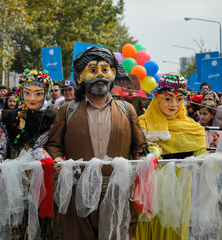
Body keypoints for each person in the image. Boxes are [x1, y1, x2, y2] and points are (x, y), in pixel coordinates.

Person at [46, 47, 147, 240]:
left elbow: (139, 146)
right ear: (80, 77)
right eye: (92, 70)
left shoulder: (127, 110)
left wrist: (141, 163)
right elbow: (54, 145)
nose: (100, 75)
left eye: (105, 70)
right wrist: (58, 159)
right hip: (77, 192)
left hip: (118, 192)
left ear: (113, 75)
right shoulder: (67, 110)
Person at [137, 73, 207, 240]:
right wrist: (152, 150)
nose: (173, 104)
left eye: (179, 99)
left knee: (176, 229)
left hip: (181, 188)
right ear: (158, 98)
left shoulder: (194, 128)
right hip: (151, 189)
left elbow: (201, 158)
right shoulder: (142, 123)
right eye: (168, 99)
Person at [0, 69, 56, 239]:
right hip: (14, 175)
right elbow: (1, 149)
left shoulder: (52, 117)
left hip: (41, 174)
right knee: (15, 218)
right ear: (21, 93)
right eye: (27, 93)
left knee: (41, 221)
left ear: (45, 94)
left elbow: (56, 144)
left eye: (38, 93)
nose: (32, 98)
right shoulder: (9, 117)